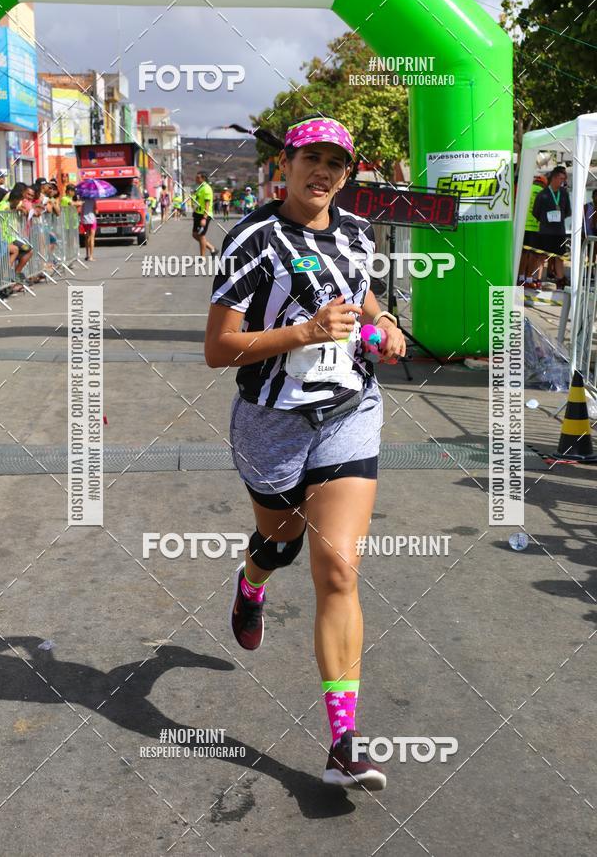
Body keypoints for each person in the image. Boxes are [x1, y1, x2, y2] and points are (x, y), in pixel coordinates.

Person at [205, 114, 406, 791]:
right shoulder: (252, 240)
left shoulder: (355, 231)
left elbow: (363, 294)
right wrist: (303, 331)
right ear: (284, 165)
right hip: (271, 423)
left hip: (349, 408)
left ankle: (344, 743)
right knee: (281, 541)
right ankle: (251, 581)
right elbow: (219, 349)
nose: (323, 172)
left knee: (339, 569)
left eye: (336, 164)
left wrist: (382, 321)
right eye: (311, 159)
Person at [532, 165, 571, 289]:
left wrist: (558, 219)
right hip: (545, 232)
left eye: (563, 179)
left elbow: (568, 211)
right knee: (542, 257)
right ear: (553, 178)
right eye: (560, 178)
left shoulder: (564, 194)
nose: (562, 181)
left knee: (559, 257)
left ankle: (560, 281)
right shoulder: (543, 194)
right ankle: (537, 280)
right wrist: (545, 220)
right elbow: (535, 212)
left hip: (559, 232)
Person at [518, 174, 547, 289]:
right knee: (534, 255)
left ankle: (520, 278)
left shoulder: (526, 189)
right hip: (536, 228)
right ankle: (529, 278)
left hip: (523, 227)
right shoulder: (544, 193)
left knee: (523, 254)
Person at [191, 172, 218, 259]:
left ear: (203, 178)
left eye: (198, 177)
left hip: (204, 215)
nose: (196, 179)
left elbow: (207, 203)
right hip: (198, 214)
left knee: (201, 235)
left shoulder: (206, 188)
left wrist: (204, 218)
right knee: (195, 234)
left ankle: (202, 257)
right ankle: (212, 248)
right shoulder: (200, 187)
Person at [79, 193, 97, 261]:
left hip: (85, 220)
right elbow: (96, 210)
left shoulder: (82, 201)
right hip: (92, 220)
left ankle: (87, 255)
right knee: (92, 238)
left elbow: (81, 211)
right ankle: (91, 256)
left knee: (86, 238)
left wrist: (81, 220)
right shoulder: (93, 200)